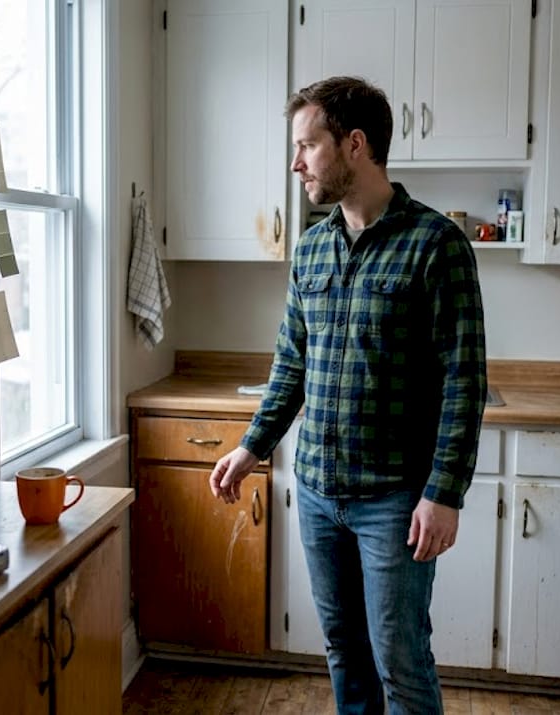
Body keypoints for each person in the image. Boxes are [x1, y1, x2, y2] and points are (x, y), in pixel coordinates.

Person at [208, 75, 488, 714]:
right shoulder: (310, 249)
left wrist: (443, 494)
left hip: (393, 499)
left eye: (308, 145)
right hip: (315, 492)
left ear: (355, 144)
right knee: (343, 651)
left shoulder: (436, 245)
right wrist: (252, 448)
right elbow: (291, 365)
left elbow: (463, 382)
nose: (295, 161)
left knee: (401, 659)